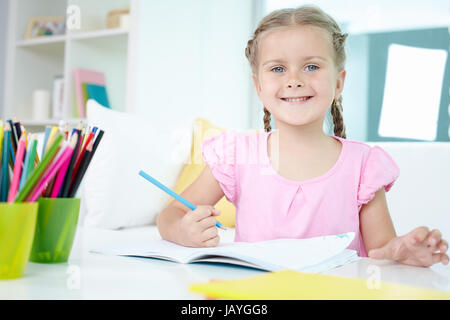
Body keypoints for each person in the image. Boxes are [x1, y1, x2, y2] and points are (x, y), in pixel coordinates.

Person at [157, 5, 448, 267]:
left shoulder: (363, 165)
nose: (294, 80)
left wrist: (403, 253)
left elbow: (381, 251)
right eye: (278, 68)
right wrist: (183, 230)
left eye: (311, 66)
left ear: (338, 82)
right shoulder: (236, 154)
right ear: (258, 86)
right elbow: (171, 214)